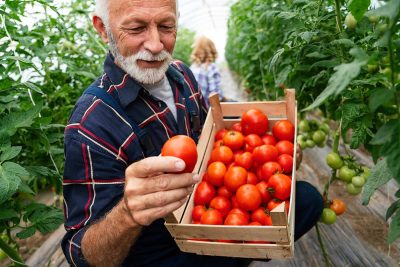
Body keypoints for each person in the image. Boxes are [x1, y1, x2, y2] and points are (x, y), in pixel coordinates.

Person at [61, 0, 323, 266]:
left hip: (205, 212)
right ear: (103, 29)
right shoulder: (91, 125)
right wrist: (128, 213)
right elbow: (82, 255)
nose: (155, 45)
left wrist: (277, 155)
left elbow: (216, 140)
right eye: (136, 28)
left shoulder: (182, 75)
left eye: (166, 26)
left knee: (309, 200)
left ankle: (237, 250)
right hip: (155, 247)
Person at [190, 36, 228, 107]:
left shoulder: (192, 67)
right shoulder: (211, 67)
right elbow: (215, 96)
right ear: (212, 50)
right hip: (207, 111)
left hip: (195, 110)